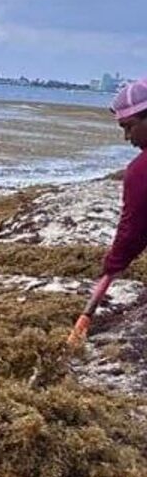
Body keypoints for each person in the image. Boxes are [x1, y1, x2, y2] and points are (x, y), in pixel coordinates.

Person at [75, 78, 147, 343]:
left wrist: (114, 262)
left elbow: (134, 229)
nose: (127, 138)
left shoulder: (141, 170)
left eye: (129, 127)